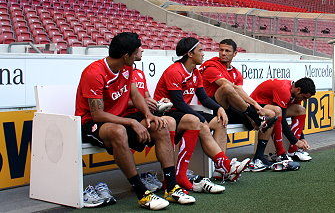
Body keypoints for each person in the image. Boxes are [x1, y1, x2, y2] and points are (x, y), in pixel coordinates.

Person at [75, 32, 194, 210]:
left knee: (160, 124)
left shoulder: (127, 67)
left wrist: (148, 114)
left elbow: (134, 93)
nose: (141, 51)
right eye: (137, 50)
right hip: (91, 122)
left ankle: (171, 186)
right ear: (126, 55)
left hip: (120, 118)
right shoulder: (94, 73)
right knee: (118, 131)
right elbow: (98, 114)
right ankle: (141, 192)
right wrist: (131, 123)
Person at [154, 37, 250, 185]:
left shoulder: (195, 72)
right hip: (168, 113)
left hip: (183, 111)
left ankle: (221, 169)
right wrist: (199, 116)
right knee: (200, 123)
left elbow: (204, 98)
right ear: (190, 54)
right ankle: (225, 164)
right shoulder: (174, 71)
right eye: (200, 50)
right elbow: (178, 103)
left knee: (220, 122)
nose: (203, 54)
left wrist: (219, 108)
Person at [198, 39, 277, 131]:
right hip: (211, 106)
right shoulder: (211, 66)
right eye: (221, 50)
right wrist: (255, 105)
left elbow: (239, 91)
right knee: (226, 87)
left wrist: (255, 105)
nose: (223, 53)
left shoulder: (236, 72)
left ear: (235, 53)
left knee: (272, 113)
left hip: (230, 108)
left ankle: (260, 135)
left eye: (227, 51)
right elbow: (230, 87)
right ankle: (256, 119)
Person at [248, 78, 316, 171]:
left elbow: (289, 116)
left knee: (300, 110)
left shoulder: (295, 93)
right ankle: (281, 154)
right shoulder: (284, 90)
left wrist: (301, 138)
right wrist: (295, 141)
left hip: (270, 108)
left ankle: (293, 151)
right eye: (303, 97)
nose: (303, 99)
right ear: (298, 89)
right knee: (277, 112)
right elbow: (282, 121)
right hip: (256, 107)